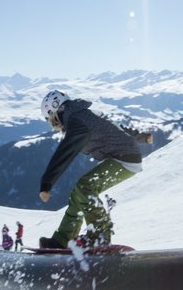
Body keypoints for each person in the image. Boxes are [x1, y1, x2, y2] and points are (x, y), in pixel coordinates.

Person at [37, 90, 147, 249]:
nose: (54, 125)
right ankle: (62, 240)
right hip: (125, 156)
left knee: (85, 186)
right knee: (78, 193)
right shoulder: (83, 114)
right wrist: (140, 136)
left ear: (57, 110)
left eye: (52, 119)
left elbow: (65, 151)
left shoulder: (77, 121)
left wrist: (47, 183)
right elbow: (114, 127)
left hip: (125, 159)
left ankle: (99, 236)